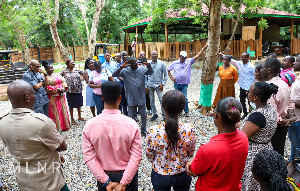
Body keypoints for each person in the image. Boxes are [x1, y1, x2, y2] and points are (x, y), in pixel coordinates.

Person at [0, 80, 69, 191]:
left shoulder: (3, 122)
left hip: (24, 181)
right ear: (27, 98)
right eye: (33, 93)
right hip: (49, 182)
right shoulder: (42, 122)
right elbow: (62, 146)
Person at [82, 81, 142, 191]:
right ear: (120, 98)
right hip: (128, 174)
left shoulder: (90, 125)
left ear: (102, 98)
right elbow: (136, 155)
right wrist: (124, 183)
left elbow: (89, 157)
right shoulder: (131, 124)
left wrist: (106, 181)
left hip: (103, 175)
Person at [186, 97, 248, 191]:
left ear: (216, 116)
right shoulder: (243, 137)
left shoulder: (207, 150)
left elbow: (193, 170)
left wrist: (189, 164)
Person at [146, 90, 196, 190]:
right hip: (182, 174)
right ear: (182, 110)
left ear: (163, 107)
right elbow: (190, 153)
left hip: (160, 175)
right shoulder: (190, 130)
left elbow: (149, 155)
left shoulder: (153, 131)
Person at [240, 82, 278, 191]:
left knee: (251, 183)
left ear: (255, 97)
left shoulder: (258, 115)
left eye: (249, 92)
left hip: (254, 154)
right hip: (267, 148)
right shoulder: (270, 109)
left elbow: (243, 136)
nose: (247, 93)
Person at [113, 57, 153, 136]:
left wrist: (149, 65)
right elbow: (114, 74)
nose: (135, 64)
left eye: (136, 62)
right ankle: (132, 131)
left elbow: (151, 72)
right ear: (129, 64)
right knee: (131, 116)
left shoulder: (142, 69)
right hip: (131, 97)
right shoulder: (125, 71)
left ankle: (143, 130)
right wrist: (121, 67)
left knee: (144, 115)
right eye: (133, 63)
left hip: (141, 96)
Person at [260, 58, 292, 155]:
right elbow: (290, 102)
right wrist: (290, 115)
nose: (261, 70)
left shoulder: (270, 87)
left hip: (274, 127)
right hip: (282, 125)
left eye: (262, 68)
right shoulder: (283, 84)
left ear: (269, 70)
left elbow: (271, 113)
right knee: (279, 152)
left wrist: (282, 121)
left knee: (271, 156)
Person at [167, 44, 208, 116]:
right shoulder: (175, 63)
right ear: (180, 56)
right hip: (177, 84)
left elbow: (197, 56)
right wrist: (172, 78)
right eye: (181, 57)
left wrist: (203, 49)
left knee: (184, 97)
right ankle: (179, 111)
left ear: (186, 57)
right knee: (177, 98)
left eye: (184, 57)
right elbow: (168, 70)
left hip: (184, 84)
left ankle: (186, 111)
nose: (183, 58)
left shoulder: (188, 61)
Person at [42, 61, 70, 132]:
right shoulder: (44, 77)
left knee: (62, 110)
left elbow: (63, 81)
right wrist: (57, 89)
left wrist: (64, 87)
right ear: (46, 69)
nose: (52, 70)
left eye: (52, 68)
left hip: (61, 96)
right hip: (53, 97)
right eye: (50, 69)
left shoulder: (57, 74)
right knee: (55, 113)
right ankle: (57, 128)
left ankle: (64, 126)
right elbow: (46, 87)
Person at [60, 59, 85, 124]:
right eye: (71, 63)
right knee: (71, 105)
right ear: (68, 64)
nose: (73, 64)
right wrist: (62, 84)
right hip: (69, 91)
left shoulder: (78, 70)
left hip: (78, 90)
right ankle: (72, 118)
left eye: (74, 62)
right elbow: (58, 77)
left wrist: (82, 79)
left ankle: (79, 116)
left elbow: (85, 74)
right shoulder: (64, 71)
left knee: (79, 104)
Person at [231, 52, 256, 118]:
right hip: (242, 86)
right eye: (241, 57)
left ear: (248, 57)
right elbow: (233, 61)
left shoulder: (251, 66)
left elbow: (254, 76)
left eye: (244, 57)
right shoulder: (240, 64)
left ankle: (251, 115)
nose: (242, 58)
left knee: (250, 102)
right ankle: (245, 114)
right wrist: (222, 55)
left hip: (249, 87)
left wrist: (252, 85)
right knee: (242, 101)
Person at [146, 50, 168, 120]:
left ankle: (164, 115)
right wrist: (146, 86)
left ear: (157, 55)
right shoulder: (148, 64)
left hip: (159, 85)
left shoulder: (162, 63)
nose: (154, 56)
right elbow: (145, 76)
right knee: (152, 100)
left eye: (156, 54)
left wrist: (163, 84)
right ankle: (155, 114)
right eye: (153, 54)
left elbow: (166, 75)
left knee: (162, 100)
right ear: (151, 55)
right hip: (150, 85)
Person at [289, 61, 300, 161]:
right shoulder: (298, 78)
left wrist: (290, 101)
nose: (294, 63)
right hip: (293, 118)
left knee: (297, 148)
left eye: (297, 61)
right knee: (294, 144)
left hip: (298, 118)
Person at [139, 51, 152, 116]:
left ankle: (149, 109)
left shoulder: (148, 64)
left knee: (147, 97)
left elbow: (150, 75)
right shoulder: (137, 64)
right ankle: (141, 110)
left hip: (147, 83)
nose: (142, 56)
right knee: (140, 97)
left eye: (143, 55)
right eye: (140, 55)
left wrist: (147, 85)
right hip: (139, 84)